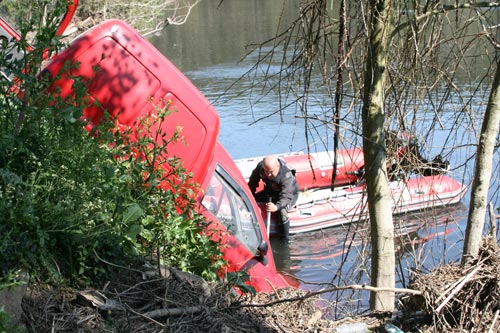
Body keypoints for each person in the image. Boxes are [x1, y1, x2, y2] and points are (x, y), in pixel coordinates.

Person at [248, 155, 299, 239]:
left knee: (282, 212)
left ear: (277, 166)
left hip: (289, 195)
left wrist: (276, 206)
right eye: (266, 171)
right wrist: (250, 195)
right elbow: (253, 182)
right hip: (270, 192)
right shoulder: (261, 167)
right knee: (252, 200)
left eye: (271, 172)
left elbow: (286, 196)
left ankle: (284, 238)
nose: (268, 174)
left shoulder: (286, 175)